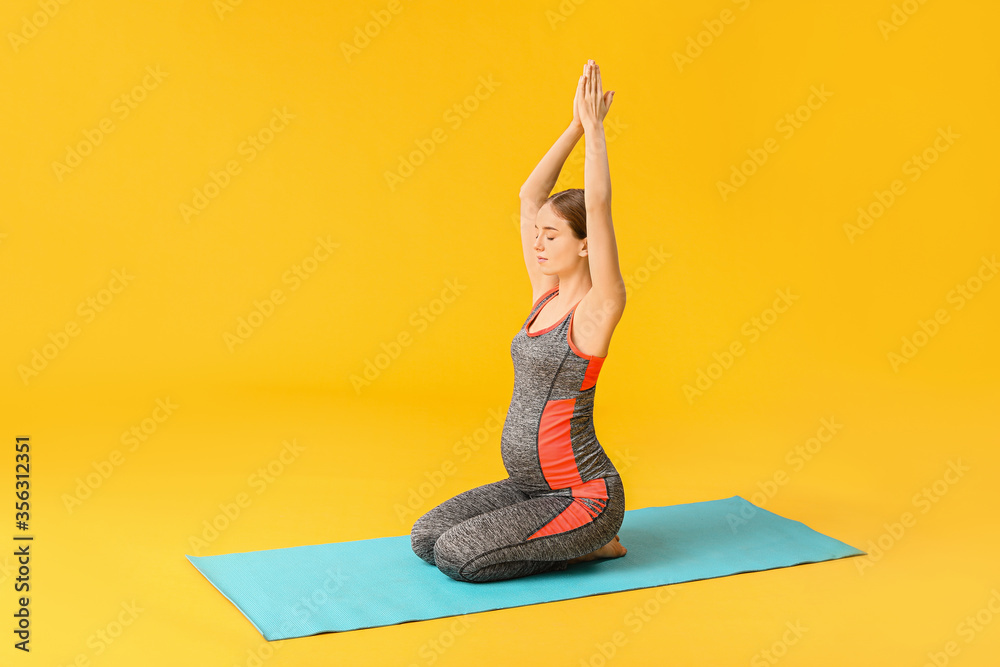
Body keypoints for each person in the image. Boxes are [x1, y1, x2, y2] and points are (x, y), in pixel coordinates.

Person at [410, 59, 627, 583]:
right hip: (531, 487)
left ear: (583, 245)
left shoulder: (598, 308)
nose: (538, 241)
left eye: (552, 235)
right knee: (426, 539)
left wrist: (597, 131)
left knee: (459, 558)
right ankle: (568, 539)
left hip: (584, 494)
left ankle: (594, 541)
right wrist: (574, 125)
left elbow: (597, 207)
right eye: (538, 234)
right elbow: (530, 198)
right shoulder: (544, 294)